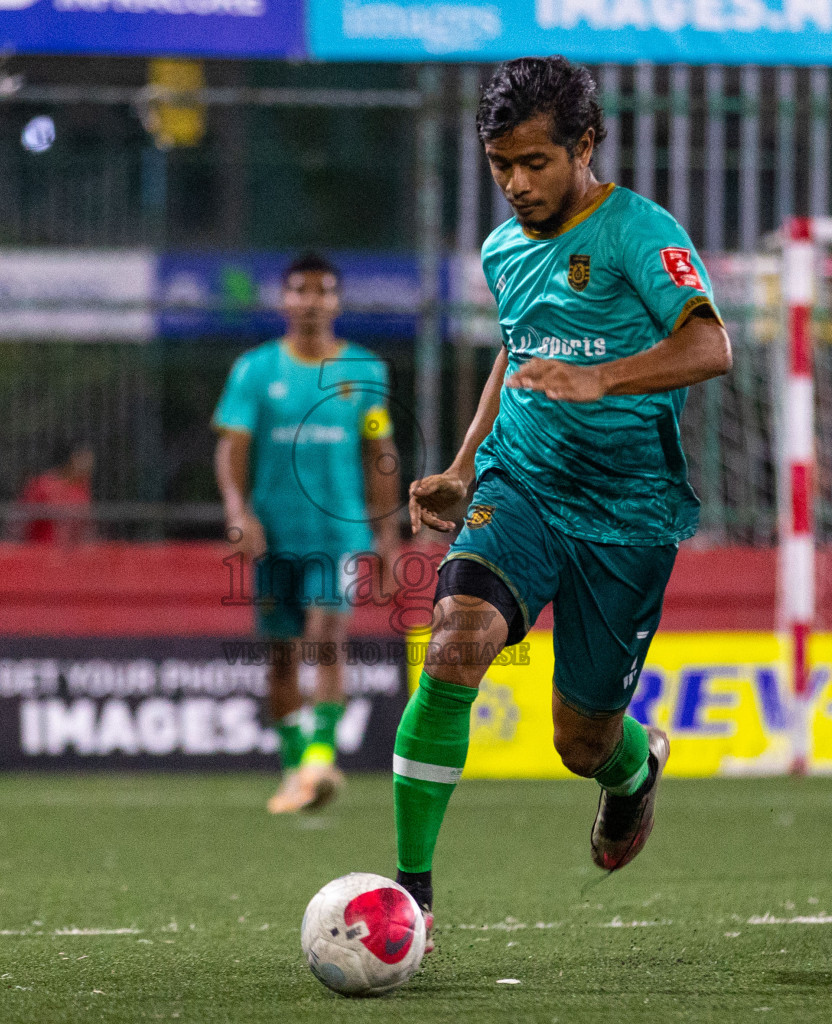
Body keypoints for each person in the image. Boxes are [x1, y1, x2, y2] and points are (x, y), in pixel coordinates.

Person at [397, 57, 733, 945]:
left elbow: (711, 347)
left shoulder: (638, 232)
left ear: (584, 146)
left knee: (579, 741)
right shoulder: (503, 248)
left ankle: (632, 773)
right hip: (525, 486)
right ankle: (412, 898)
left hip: (628, 514)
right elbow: (515, 351)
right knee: (455, 648)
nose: (516, 184)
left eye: (535, 162)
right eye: (501, 164)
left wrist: (603, 378)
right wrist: (466, 463)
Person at [213, 252, 401, 814]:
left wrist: (387, 536)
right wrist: (237, 511)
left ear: (337, 302)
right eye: (300, 290)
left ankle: (322, 758)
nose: (312, 301)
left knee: (326, 633)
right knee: (280, 657)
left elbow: (379, 452)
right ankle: (296, 768)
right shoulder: (255, 370)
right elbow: (233, 447)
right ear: (284, 300)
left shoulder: (365, 372)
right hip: (274, 534)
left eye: (322, 291)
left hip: (339, 531)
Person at [17, 443, 94, 545]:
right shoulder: (44, 484)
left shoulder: (82, 489)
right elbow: (21, 518)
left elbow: (86, 525)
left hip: (69, 554)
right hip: (41, 549)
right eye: (83, 461)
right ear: (71, 460)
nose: (88, 467)